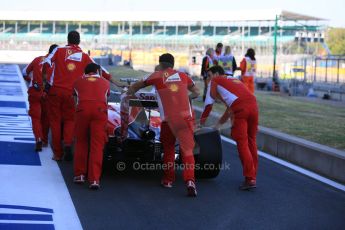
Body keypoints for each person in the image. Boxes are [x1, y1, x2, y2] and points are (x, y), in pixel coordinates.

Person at [127, 53, 200, 197]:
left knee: (168, 148)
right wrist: (186, 97)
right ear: (173, 65)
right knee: (187, 151)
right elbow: (197, 92)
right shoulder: (183, 75)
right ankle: (190, 181)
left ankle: (168, 180)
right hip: (186, 118)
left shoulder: (157, 75)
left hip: (169, 119)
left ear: (160, 64)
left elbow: (136, 86)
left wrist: (129, 93)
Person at [43, 31, 123, 161]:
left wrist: (46, 79)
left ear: (67, 39)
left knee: (55, 122)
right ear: (79, 41)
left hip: (55, 92)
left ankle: (57, 154)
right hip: (72, 94)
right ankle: (68, 143)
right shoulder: (85, 56)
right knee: (70, 120)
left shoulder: (58, 50)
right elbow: (100, 69)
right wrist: (116, 82)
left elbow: (46, 62)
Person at [200, 65, 259, 190]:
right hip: (254, 105)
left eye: (209, 75)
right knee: (251, 140)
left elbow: (208, 106)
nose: (208, 79)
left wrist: (200, 124)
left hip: (241, 109)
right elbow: (230, 108)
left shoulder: (215, 81)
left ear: (216, 74)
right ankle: (253, 174)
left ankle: (250, 178)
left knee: (242, 142)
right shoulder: (233, 79)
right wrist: (218, 125)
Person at [73, 63, 110, 190]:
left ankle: (79, 175)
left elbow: (75, 98)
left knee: (81, 142)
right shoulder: (105, 82)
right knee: (97, 146)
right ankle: (94, 179)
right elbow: (106, 98)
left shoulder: (77, 81)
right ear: (98, 71)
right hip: (100, 111)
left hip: (82, 110)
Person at [22, 44, 58, 151]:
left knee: (35, 117)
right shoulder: (56, 63)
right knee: (46, 117)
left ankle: (38, 138)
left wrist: (31, 81)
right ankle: (45, 141)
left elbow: (24, 73)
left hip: (35, 91)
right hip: (48, 93)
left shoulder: (37, 59)